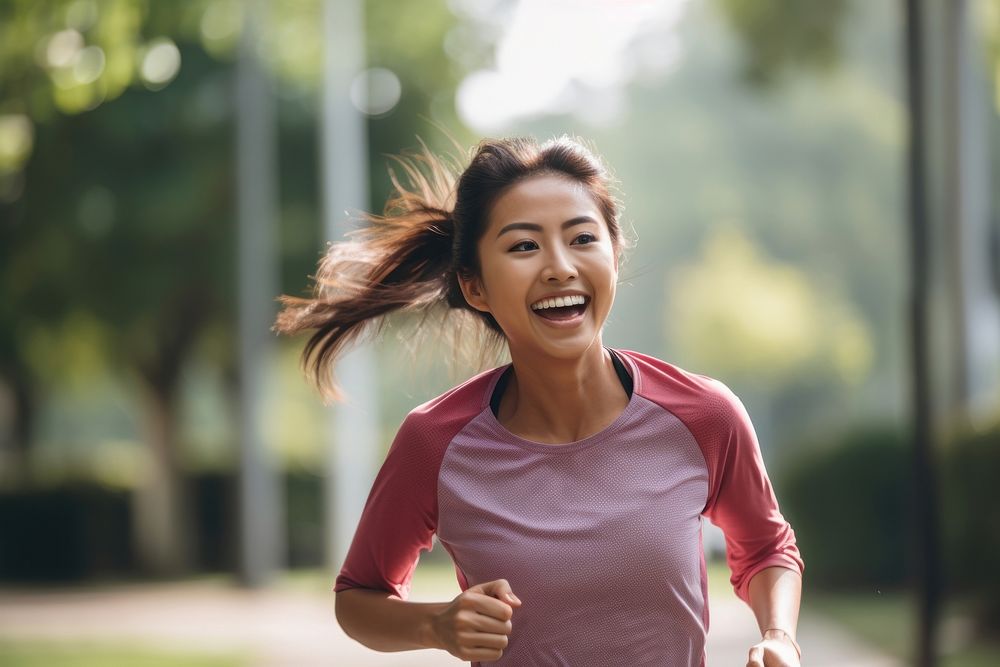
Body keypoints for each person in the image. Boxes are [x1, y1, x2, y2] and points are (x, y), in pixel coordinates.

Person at [274, 135, 804, 666]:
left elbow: (766, 549)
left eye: (581, 238)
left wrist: (779, 636)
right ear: (475, 287)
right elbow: (358, 597)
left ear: (614, 256)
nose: (559, 267)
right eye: (524, 246)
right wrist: (437, 625)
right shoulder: (435, 442)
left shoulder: (703, 416)